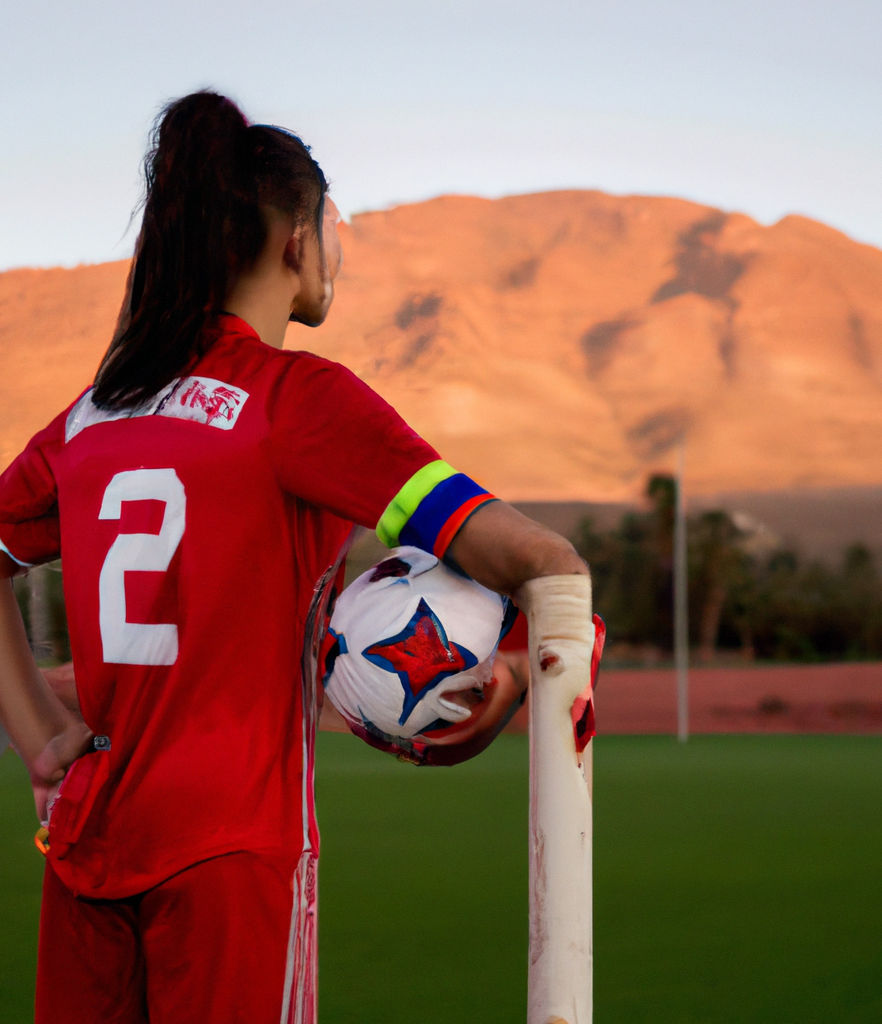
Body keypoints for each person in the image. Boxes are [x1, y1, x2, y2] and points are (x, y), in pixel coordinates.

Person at [0, 91, 592, 1024]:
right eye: (334, 228)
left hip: (88, 842)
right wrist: (525, 664)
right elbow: (540, 558)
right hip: (231, 854)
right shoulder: (297, 402)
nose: (337, 254)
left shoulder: (91, 414)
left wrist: (42, 743)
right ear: (296, 242)